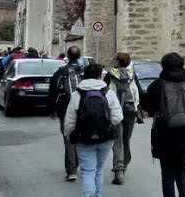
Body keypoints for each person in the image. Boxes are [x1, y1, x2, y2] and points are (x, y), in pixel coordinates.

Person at [141, 52, 185, 197]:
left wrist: (157, 110)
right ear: (181, 65)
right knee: (181, 170)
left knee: (168, 173)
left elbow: (146, 104)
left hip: (164, 133)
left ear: (163, 66)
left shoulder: (158, 85)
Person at [63, 63, 122, 197]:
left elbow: (70, 120)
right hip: (105, 137)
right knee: (99, 169)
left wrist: (70, 135)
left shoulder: (77, 94)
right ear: (100, 76)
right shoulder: (108, 93)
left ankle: (89, 194)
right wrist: (107, 124)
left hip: (83, 137)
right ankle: (97, 194)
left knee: (88, 170)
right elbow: (118, 117)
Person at [49, 45, 85, 181]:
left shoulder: (61, 72)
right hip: (83, 108)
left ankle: (71, 170)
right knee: (80, 137)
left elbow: (53, 92)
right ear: (80, 56)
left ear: (67, 57)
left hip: (65, 108)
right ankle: (76, 165)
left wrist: (52, 109)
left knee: (68, 138)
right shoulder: (84, 71)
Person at [105, 52, 140, 185]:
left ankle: (119, 170)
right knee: (126, 139)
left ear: (118, 62)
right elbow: (138, 91)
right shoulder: (132, 74)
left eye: (114, 59)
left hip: (116, 110)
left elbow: (104, 91)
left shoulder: (110, 75)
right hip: (131, 110)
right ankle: (124, 165)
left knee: (118, 140)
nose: (112, 61)